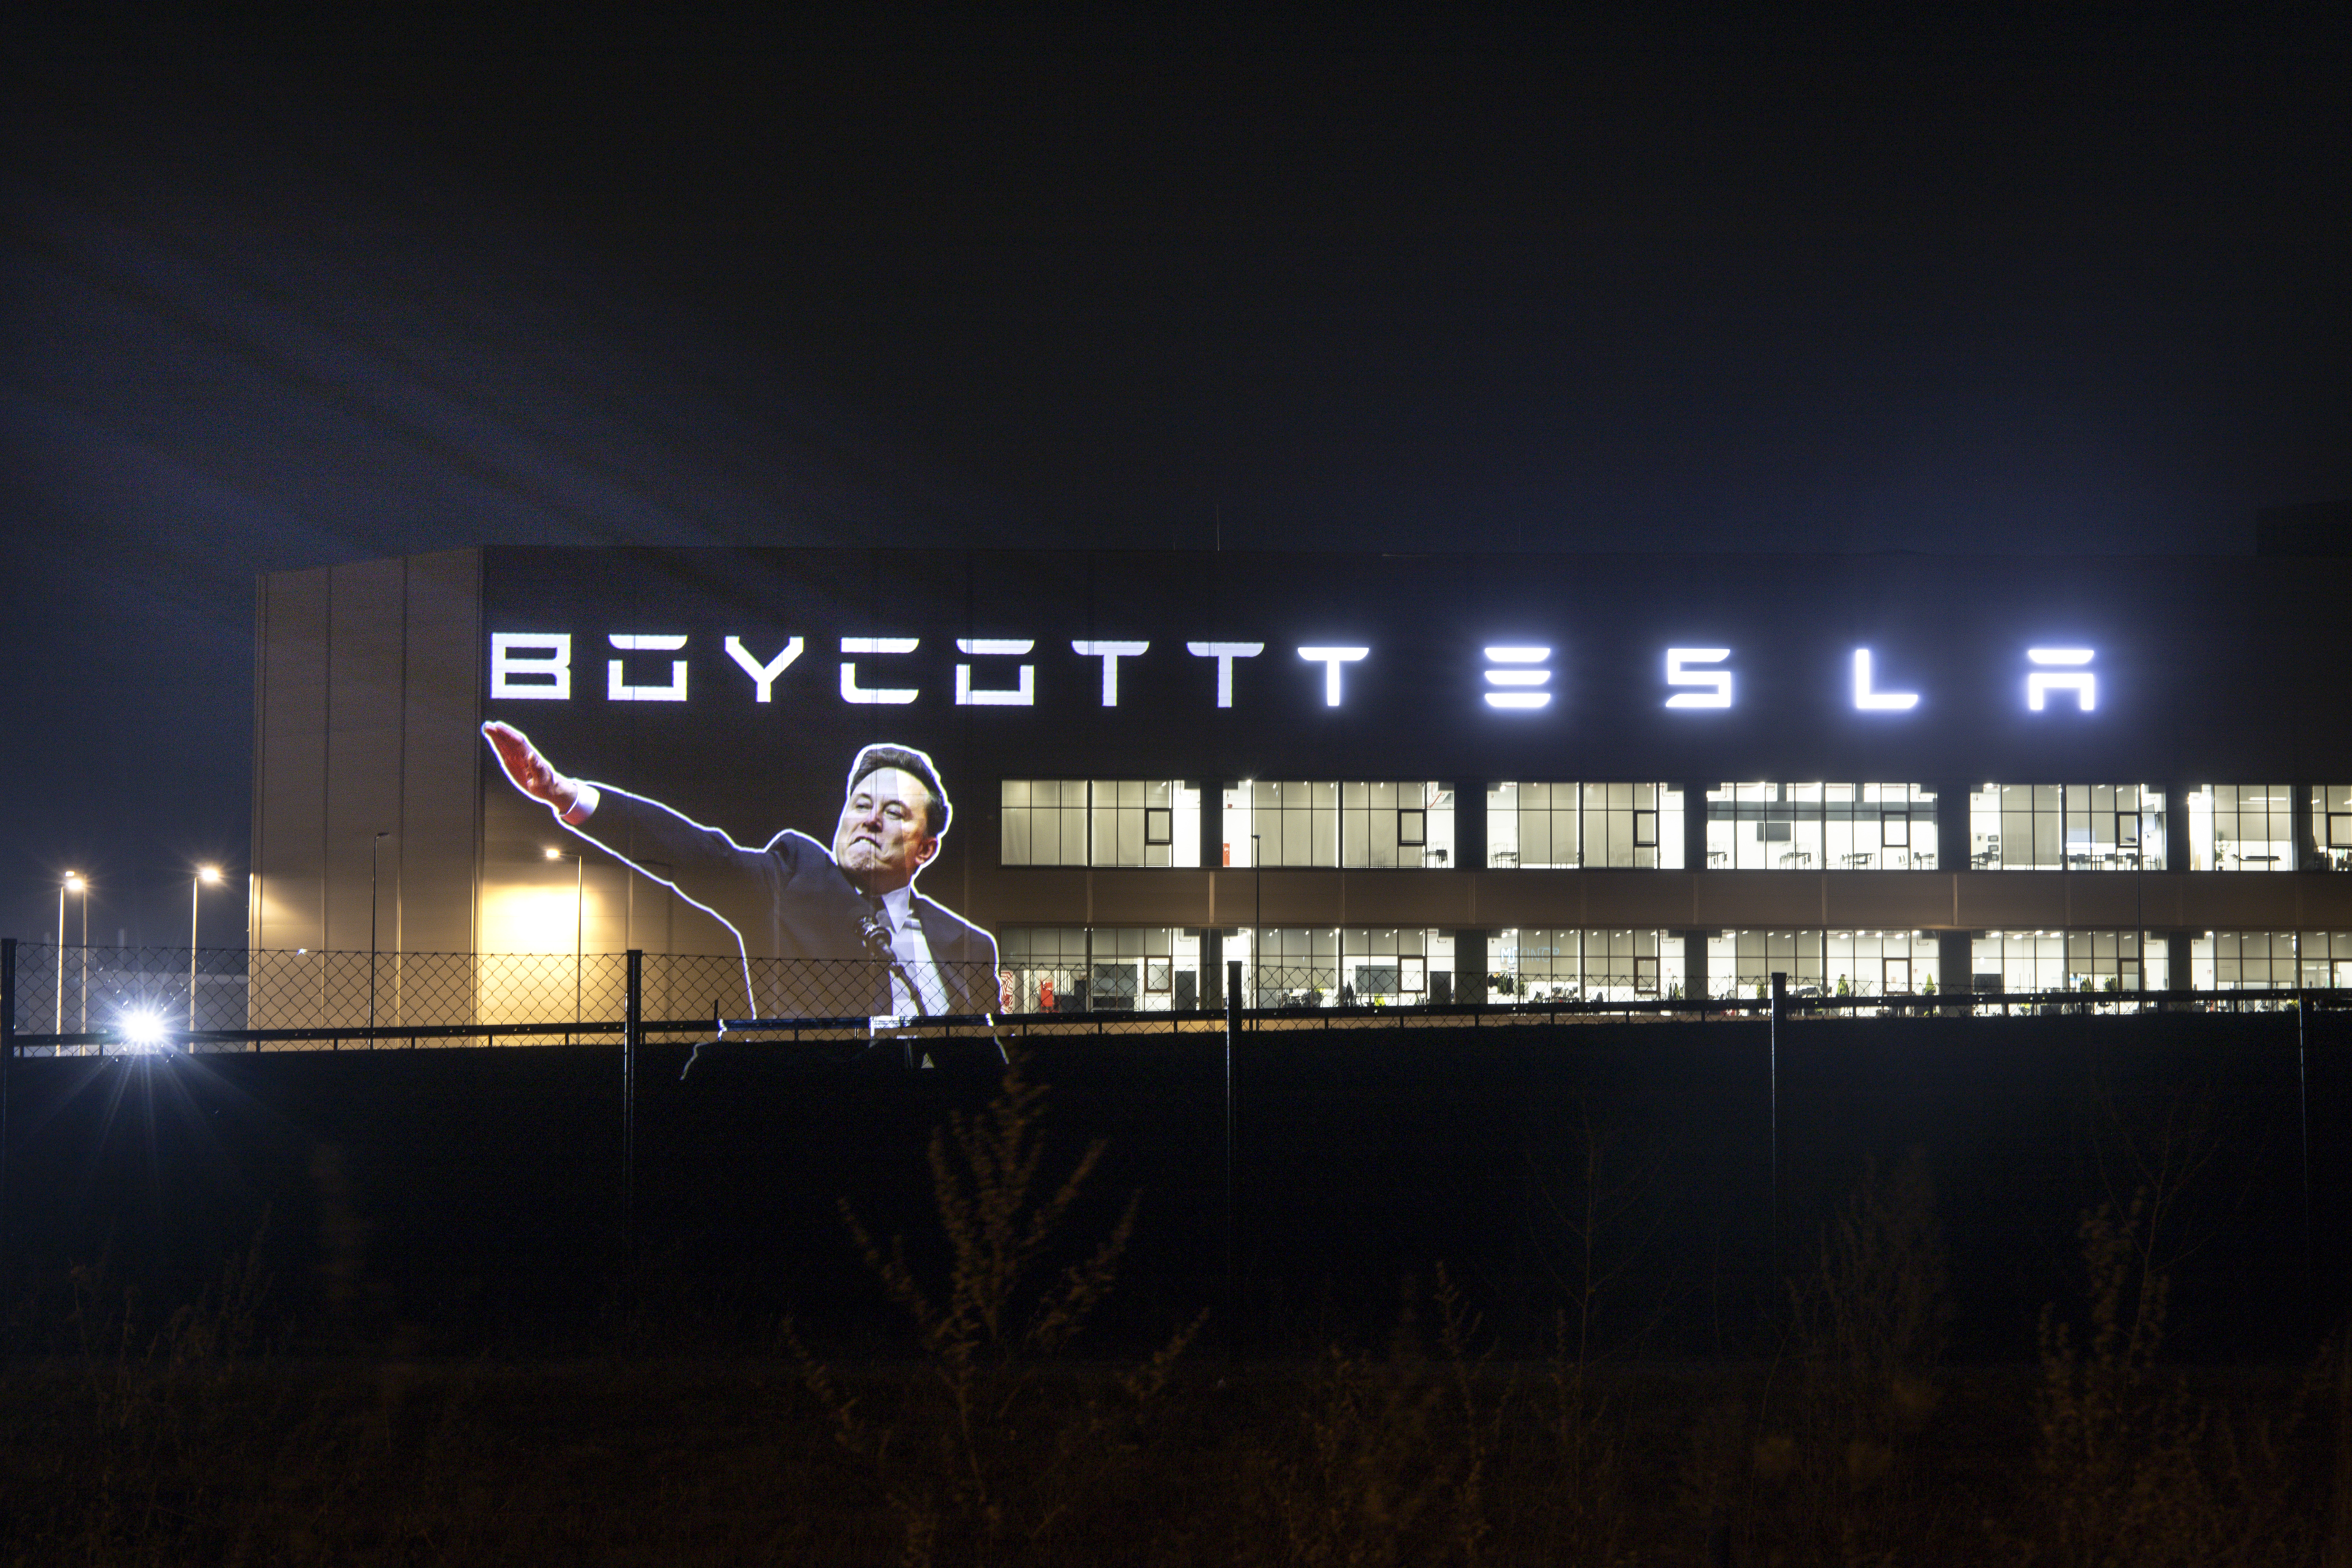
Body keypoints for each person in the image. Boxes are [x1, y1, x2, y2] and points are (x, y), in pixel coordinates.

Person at [482, 721, 1000, 1027]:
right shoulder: (792, 877)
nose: (871, 818)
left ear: (927, 848)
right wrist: (565, 794)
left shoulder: (970, 945)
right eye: (861, 803)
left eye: (895, 813)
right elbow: (697, 854)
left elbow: (990, 1056)